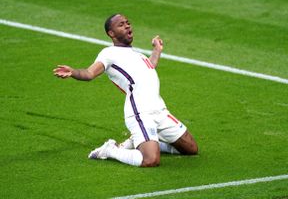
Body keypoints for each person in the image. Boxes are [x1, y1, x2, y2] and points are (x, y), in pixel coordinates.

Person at [53, 14, 198, 167]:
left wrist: (157, 51)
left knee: (191, 149)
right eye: (121, 25)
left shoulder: (138, 55)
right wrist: (74, 72)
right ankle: (110, 150)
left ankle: (140, 140)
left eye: (128, 23)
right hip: (140, 112)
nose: (128, 26)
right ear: (111, 33)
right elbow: (89, 73)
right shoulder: (108, 53)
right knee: (151, 160)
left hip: (160, 110)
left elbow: (149, 67)